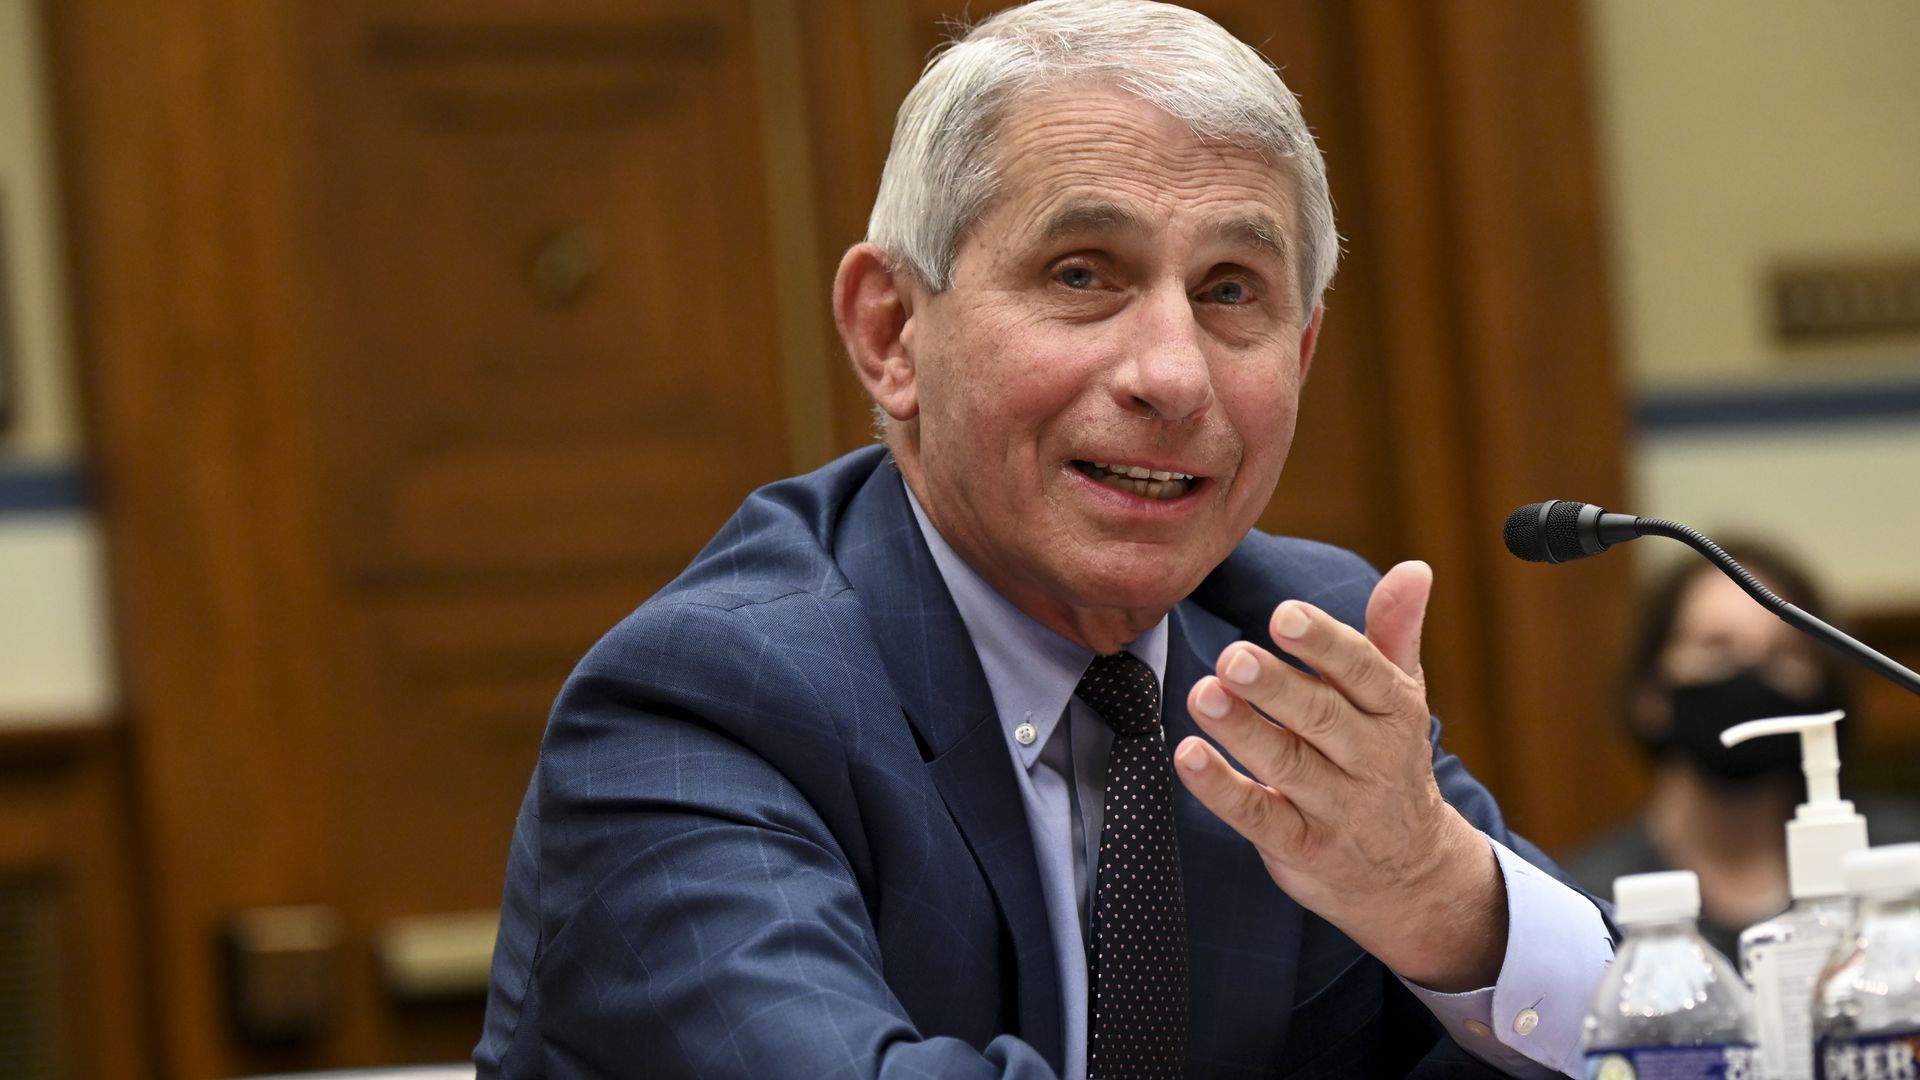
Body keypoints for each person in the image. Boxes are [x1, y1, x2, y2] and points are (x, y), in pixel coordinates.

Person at [476, 2, 1614, 1076]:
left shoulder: (1282, 643)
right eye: (1081, 275)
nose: (1171, 376)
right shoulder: (708, 704)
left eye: (1230, 291)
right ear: (891, 334)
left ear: (1302, 356)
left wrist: (1437, 895)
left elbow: (1648, 1031)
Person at [1566, 541, 1920, 961]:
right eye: (1716, 649)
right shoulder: (1584, 904)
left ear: (1822, 691)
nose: (1748, 675)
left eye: (1783, 655)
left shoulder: (1905, 863)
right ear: (1651, 692)